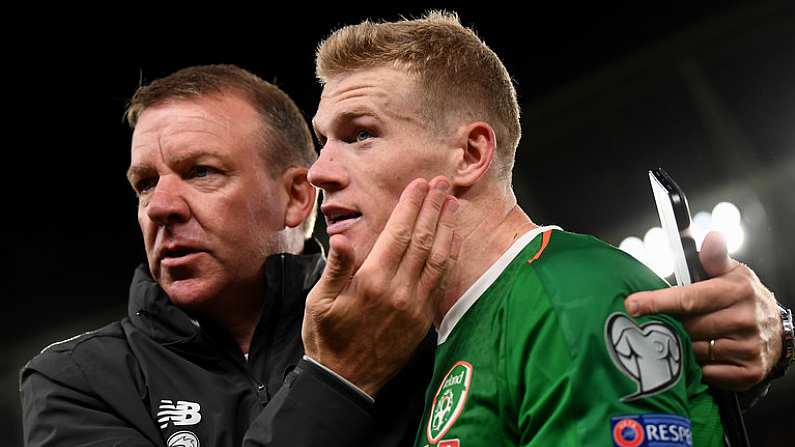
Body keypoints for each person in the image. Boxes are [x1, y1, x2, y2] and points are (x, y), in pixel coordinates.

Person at [20, 39, 790, 447]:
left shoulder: (426, 315)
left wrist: (764, 336)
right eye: (144, 183)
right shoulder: (76, 380)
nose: (162, 206)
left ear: (296, 198)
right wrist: (333, 384)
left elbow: (616, 367)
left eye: (199, 172)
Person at [299, 11, 792, 446]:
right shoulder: (447, 337)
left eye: (360, 134)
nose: (320, 171)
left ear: (470, 155)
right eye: (324, 142)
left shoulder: (569, 296)